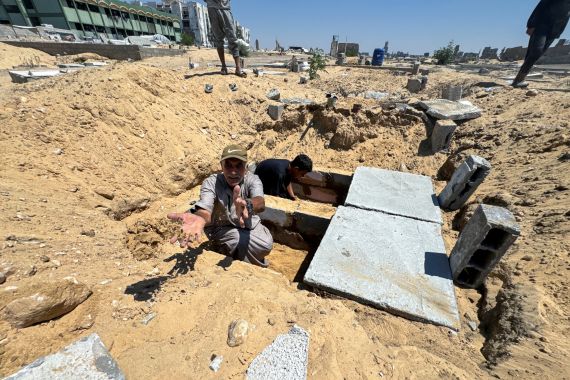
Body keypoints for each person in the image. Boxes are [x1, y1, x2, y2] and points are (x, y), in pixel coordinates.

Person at [168, 145, 273, 267]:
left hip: (248, 224)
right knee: (237, 241)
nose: (233, 172)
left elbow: (260, 203)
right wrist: (201, 218)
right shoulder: (211, 182)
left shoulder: (253, 179)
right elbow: (205, 208)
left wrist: (247, 205)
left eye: (238, 165)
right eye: (228, 165)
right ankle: (239, 263)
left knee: (265, 244)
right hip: (222, 227)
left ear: (245, 167)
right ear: (221, 165)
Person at [512, 0, 570, 87]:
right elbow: (540, 6)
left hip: (554, 31)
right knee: (536, 51)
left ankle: (518, 80)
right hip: (542, 25)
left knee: (535, 54)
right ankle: (518, 80)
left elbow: (566, 17)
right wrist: (531, 24)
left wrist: (559, 32)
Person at [205, 0, 247, 78]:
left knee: (232, 38)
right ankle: (223, 67)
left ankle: (238, 68)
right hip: (212, 8)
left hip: (225, 7)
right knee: (218, 38)